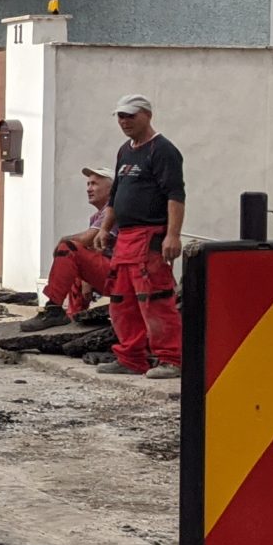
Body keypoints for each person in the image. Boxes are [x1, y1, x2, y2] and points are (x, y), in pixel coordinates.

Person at [95, 93, 186, 379]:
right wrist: (104, 228)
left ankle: (170, 358)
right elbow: (116, 195)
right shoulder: (125, 150)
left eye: (130, 116)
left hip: (150, 238)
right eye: (120, 116)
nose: (124, 122)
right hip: (125, 239)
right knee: (122, 301)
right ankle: (131, 357)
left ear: (147, 115)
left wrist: (173, 235)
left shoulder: (163, 151)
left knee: (155, 299)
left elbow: (175, 195)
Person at [19, 167, 116, 331]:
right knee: (72, 264)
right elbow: (93, 248)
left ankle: (54, 308)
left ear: (110, 189)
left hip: (121, 274)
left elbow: (86, 240)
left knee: (69, 249)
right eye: (88, 184)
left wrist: (63, 240)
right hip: (112, 271)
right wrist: (86, 280)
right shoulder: (97, 216)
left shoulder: (111, 211)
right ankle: (74, 317)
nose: (89, 189)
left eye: (94, 184)